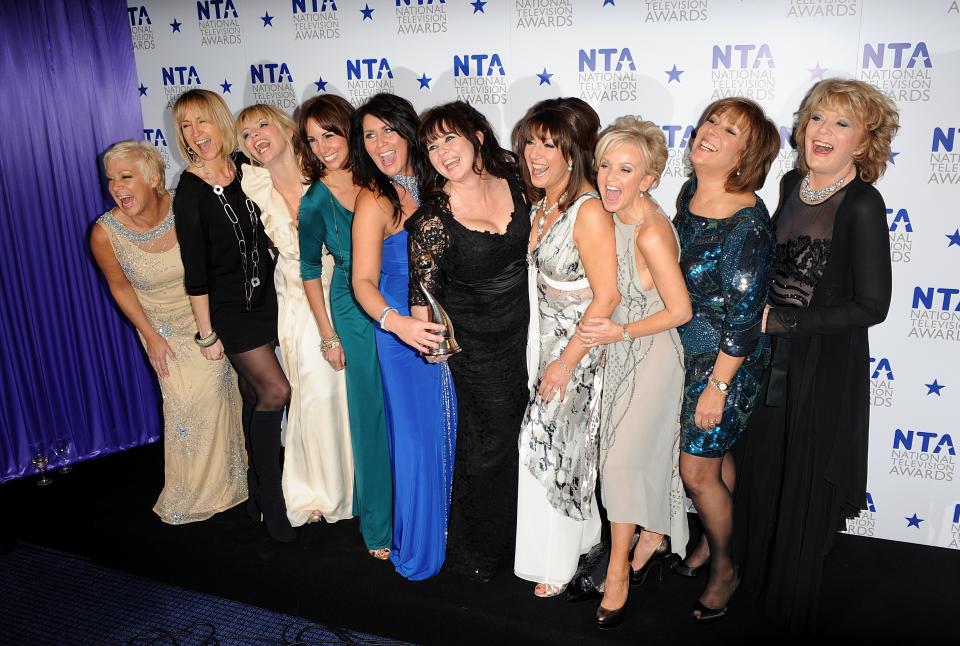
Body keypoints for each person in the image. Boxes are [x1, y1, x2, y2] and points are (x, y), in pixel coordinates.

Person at [733, 79, 898, 633]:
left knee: (802, 478)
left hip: (823, 369)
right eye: (816, 119)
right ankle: (752, 586)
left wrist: (782, 320)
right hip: (771, 357)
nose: (822, 132)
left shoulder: (863, 204)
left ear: (863, 143)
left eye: (841, 124)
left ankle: (787, 609)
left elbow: (873, 306)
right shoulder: (791, 182)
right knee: (764, 472)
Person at [91, 140, 247, 524]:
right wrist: (152, 338)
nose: (117, 187)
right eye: (111, 180)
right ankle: (193, 493)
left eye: (126, 177)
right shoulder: (105, 233)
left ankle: (233, 483)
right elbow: (120, 287)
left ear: (154, 178)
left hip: (206, 316)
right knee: (189, 403)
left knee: (225, 392)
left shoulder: (187, 203)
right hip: (160, 326)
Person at [406, 101, 529, 582]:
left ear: (477, 136)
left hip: (530, 335)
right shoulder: (433, 220)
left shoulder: (518, 182)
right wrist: (433, 348)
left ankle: (528, 536)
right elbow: (422, 303)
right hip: (478, 351)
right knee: (490, 445)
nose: (441, 152)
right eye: (431, 146)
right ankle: (479, 547)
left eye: (449, 138)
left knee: (527, 439)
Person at [578, 117, 693, 628]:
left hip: (653, 357)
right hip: (620, 352)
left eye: (625, 168)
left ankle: (619, 573)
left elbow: (681, 311)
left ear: (648, 178)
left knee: (623, 466)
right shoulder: (610, 218)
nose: (609, 176)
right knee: (622, 461)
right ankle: (650, 536)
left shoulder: (648, 232)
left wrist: (620, 335)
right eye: (604, 164)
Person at [670, 97, 779, 622]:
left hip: (726, 362)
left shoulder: (746, 225)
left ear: (746, 154)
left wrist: (716, 387)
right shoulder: (690, 191)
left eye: (728, 130)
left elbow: (743, 319)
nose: (709, 131)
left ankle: (725, 569)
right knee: (715, 461)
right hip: (686, 350)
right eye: (710, 120)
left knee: (696, 470)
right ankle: (713, 544)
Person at [171, 89, 294, 542]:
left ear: (220, 122)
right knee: (275, 391)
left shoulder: (247, 167)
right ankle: (274, 503)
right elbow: (196, 272)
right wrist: (207, 334)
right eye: (185, 126)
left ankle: (257, 493)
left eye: (201, 121)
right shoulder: (188, 190)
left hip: (270, 301)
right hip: (229, 311)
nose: (195, 134)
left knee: (251, 395)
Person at [513, 98, 619, 597]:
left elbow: (608, 296)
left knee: (546, 448)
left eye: (548, 145)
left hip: (576, 352)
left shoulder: (588, 210)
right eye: (531, 141)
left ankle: (554, 564)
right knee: (565, 452)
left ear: (573, 153)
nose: (535, 154)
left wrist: (565, 362)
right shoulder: (540, 202)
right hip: (542, 345)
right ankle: (584, 541)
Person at [349, 93, 457, 580]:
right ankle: (418, 545)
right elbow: (362, 283)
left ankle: (452, 531)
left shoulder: (442, 183)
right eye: (369, 135)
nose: (380, 143)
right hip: (401, 337)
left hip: (451, 328)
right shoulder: (374, 198)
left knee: (449, 431)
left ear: (409, 131)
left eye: (388, 130)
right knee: (415, 441)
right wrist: (399, 325)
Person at [236, 104, 353, 528]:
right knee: (312, 389)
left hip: (341, 285)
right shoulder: (253, 184)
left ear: (287, 129)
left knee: (341, 391)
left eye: (263, 125)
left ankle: (349, 484)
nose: (255, 137)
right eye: (246, 134)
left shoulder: (324, 170)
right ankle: (315, 490)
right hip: (295, 294)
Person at [297, 94, 393, 559]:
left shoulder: (382, 174)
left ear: (348, 131)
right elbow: (311, 271)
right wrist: (328, 335)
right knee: (371, 414)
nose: (322, 146)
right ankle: (379, 527)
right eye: (312, 139)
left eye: (329, 134)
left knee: (405, 414)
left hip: (399, 295)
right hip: (353, 310)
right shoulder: (315, 200)